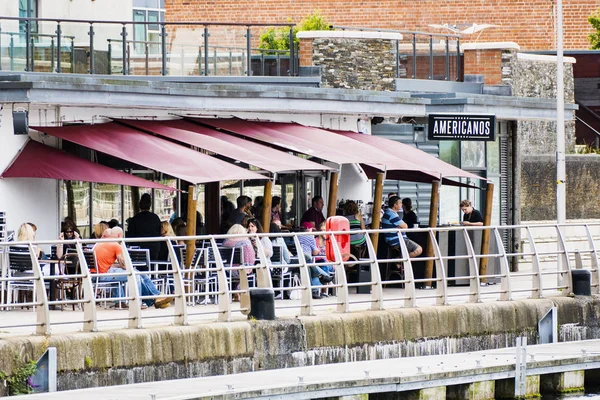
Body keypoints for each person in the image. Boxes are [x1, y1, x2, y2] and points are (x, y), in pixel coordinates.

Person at [94, 227, 173, 309]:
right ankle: (140, 302)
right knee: (136, 275)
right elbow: (124, 266)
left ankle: (121, 302)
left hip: (95, 274)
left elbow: (109, 264)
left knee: (137, 273)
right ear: (119, 235)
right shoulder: (115, 245)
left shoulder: (100, 243)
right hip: (103, 275)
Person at [297, 222, 333, 299]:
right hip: (312, 260)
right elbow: (315, 252)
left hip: (301, 260)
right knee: (312, 267)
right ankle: (323, 280)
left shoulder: (296, 236)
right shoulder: (311, 238)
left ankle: (317, 290)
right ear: (308, 229)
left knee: (313, 267)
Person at [127, 193, 161, 260]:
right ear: (150, 204)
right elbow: (158, 231)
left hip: (138, 249)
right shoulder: (155, 218)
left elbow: (130, 234)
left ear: (140, 204)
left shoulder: (135, 219)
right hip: (154, 249)